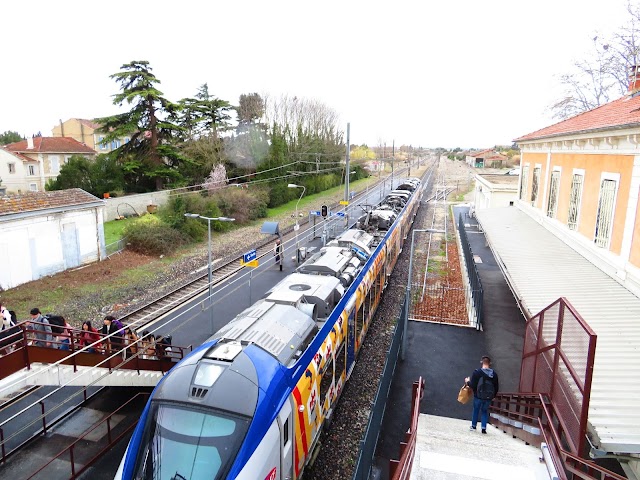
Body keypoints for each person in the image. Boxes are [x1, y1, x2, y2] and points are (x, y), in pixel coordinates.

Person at [465, 355, 499, 434]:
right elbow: (496, 387)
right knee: (484, 411)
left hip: (478, 395)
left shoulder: (477, 372)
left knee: (476, 410)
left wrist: (467, 381)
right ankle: (483, 428)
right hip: (488, 397)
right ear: (490, 363)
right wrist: (493, 396)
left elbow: (473, 385)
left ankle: (473, 426)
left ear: (481, 362)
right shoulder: (494, 374)